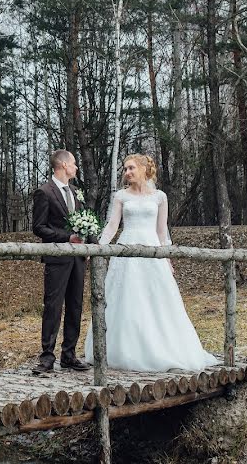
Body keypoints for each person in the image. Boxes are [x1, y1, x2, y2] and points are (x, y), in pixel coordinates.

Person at [84, 154, 218, 372]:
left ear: (144, 169)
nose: (127, 172)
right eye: (125, 169)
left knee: (156, 298)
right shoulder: (121, 196)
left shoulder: (160, 197)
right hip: (126, 249)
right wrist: (97, 247)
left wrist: (167, 257)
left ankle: (161, 348)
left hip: (152, 250)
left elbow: (162, 231)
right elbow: (112, 226)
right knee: (126, 298)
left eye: (131, 168)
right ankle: (124, 349)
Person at [31, 150, 92, 374]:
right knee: (53, 307)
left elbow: (87, 222)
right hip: (57, 258)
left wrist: (91, 245)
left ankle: (69, 355)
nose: (76, 168)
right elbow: (39, 227)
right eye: (74, 164)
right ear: (64, 165)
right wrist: (66, 238)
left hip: (77, 259)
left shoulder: (76, 192)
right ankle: (47, 357)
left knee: (75, 306)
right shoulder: (44, 192)